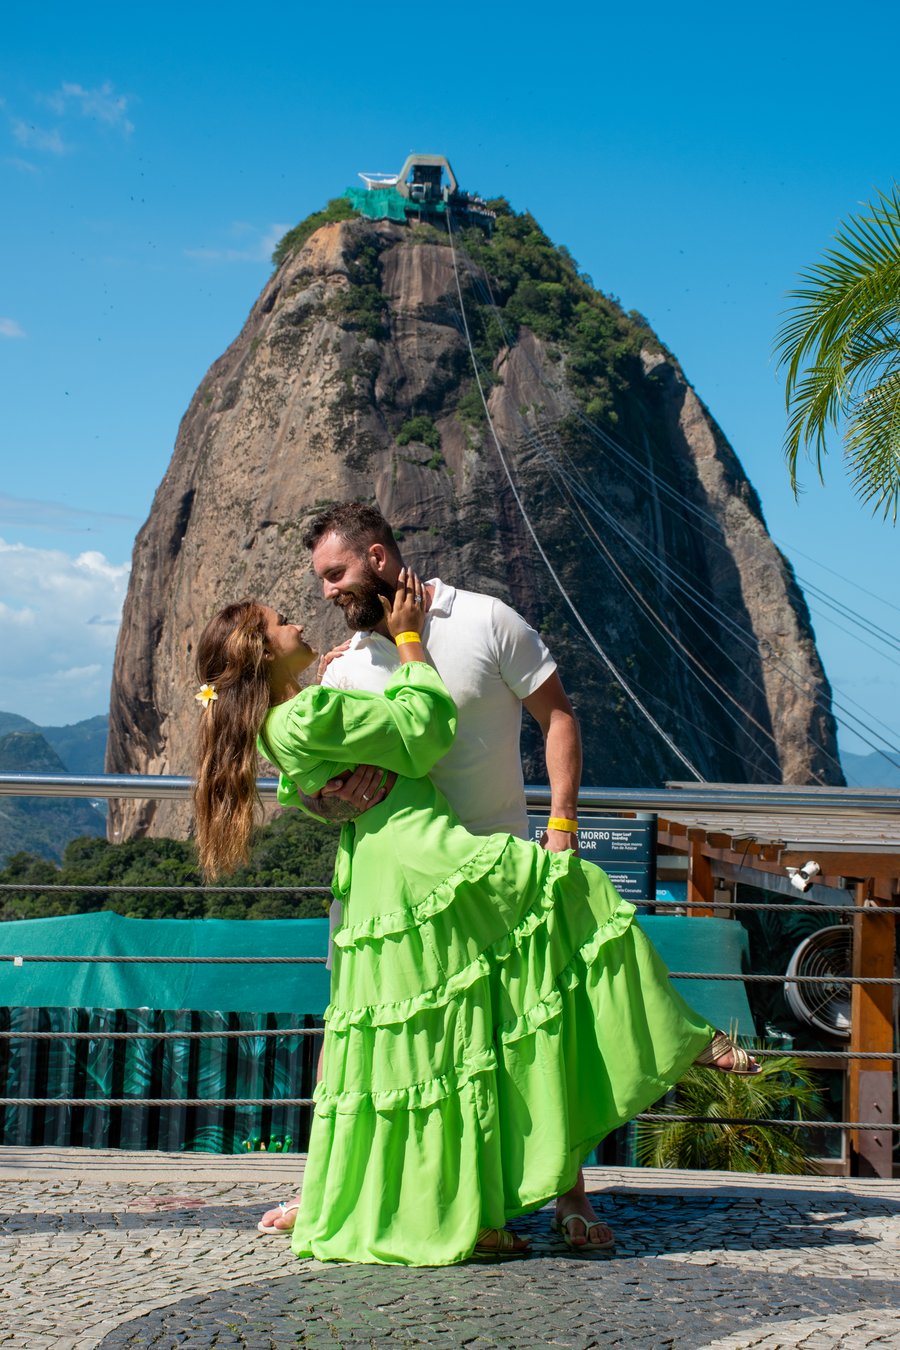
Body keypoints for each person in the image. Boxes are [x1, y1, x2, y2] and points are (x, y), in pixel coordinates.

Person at [192, 576, 755, 1268]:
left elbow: (305, 776)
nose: (300, 623)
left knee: (430, 1045)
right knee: (575, 889)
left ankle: (461, 1207)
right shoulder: (309, 713)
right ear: (259, 651)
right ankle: (683, 1039)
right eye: (282, 622)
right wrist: (406, 642)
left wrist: (321, 780)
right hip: (423, 859)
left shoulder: (294, 716)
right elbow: (428, 729)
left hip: (380, 875)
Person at [302, 500, 613, 1252]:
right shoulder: (345, 666)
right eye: (319, 580)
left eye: (335, 574)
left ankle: (570, 1199)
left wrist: (562, 825)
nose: (325, 593)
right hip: (398, 897)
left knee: (531, 1035)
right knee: (387, 1050)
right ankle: (349, 1198)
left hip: (496, 876)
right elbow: (316, 787)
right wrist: (327, 796)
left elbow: (559, 718)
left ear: (379, 558)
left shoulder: (485, 620)